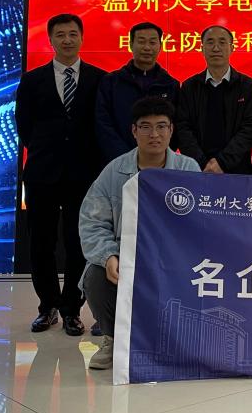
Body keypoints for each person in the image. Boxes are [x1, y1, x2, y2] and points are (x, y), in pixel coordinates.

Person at [80, 98, 200, 370]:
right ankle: (113, 339)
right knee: (95, 276)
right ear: (134, 131)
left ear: (171, 130)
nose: (154, 134)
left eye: (161, 126)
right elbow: (92, 221)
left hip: (174, 258)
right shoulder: (114, 171)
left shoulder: (188, 169)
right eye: (145, 127)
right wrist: (108, 255)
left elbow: (201, 225)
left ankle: (176, 342)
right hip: (127, 255)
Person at [15, 13, 106, 336]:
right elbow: (24, 127)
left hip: (84, 175)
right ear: (50, 40)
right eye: (60, 35)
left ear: (82, 38)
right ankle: (47, 307)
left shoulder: (100, 79)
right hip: (42, 173)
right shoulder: (32, 80)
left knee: (78, 243)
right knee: (41, 243)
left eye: (72, 34)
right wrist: (47, 151)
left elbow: (101, 125)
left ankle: (72, 310)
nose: (67, 40)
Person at [175, 25, 252, 174]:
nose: (216, 48)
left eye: (222, 42)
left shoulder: (247, 86)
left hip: (237, 170)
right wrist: (202, 164)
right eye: (210, 42)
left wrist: (222, 163)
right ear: (202, 49)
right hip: (198, 170)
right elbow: (182, 128)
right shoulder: (190, 86)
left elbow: (250, 128)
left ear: (232, 48)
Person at [95, 21, 179, 162]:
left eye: (152, 42)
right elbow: (103, 124)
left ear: (160, 46)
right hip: (118, 161)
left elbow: (175, 126)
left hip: (159, 162)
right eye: (141, 41)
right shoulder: (111, 82)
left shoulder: (170, 85)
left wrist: (159, 156)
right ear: (130, 45)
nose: (147, 47)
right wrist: (124, 158)